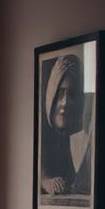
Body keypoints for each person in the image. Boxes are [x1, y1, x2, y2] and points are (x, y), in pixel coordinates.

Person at [40, 53, 92, 198]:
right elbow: (42, 176)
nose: (65, 103)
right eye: (60, 93)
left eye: (71, 95)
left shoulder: (82, 138)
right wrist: (47, 182)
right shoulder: (43, 138)